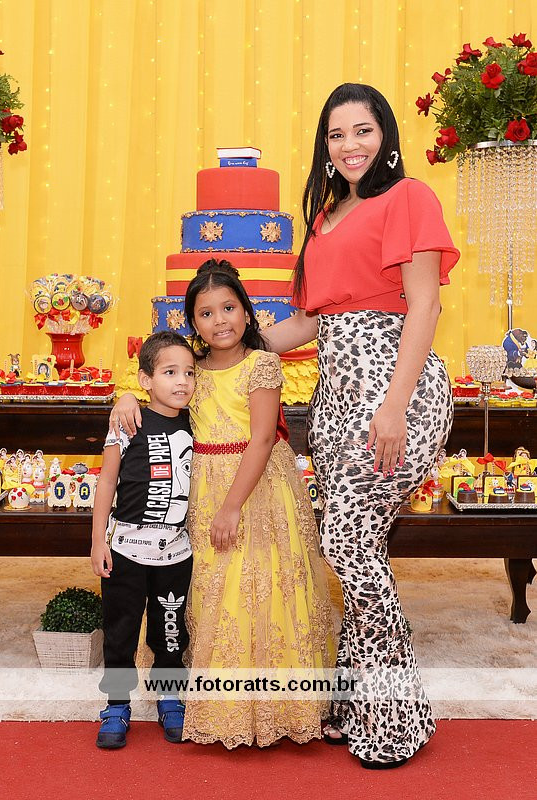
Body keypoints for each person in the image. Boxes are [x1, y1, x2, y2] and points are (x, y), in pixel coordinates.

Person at [258, 82, 460, 769]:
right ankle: (358, 706)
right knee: (354, 543)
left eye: (363, 130)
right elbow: (309, 322)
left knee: (346, 544)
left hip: (395, 389)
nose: (350, 145)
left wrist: (395, 406)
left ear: (386, 135)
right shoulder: (325, 217)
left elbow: (424, 305)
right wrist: (226, 342)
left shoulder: (409, 198)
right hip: (336, 396)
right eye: (336, 134)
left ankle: (397, 716)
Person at [110, 259, 336, 749]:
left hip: (256, 489)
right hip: (202, 487)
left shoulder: (261, 363)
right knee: (207, 592)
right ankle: (205, 701)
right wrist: (125, 397)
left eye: (229, 308)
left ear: (247, 312)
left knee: (258, 588)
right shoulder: (191, 369)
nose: (220, 320)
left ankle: (270, 707)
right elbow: (157, 386)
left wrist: (232, 507)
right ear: (193, 322)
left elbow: (262, 439)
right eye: (206, 313)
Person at [91, 331, 195, 749]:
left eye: (189, 372)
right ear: (146, 379)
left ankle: (170, 697)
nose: (182, 381)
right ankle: (117, 704)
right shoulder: (126, 422)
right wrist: (97, 541)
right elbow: (106, 481)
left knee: (171, 632)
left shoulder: (199, 422)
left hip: (176, 554)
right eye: (170, 372)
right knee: (120, 631)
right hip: (125, 551)